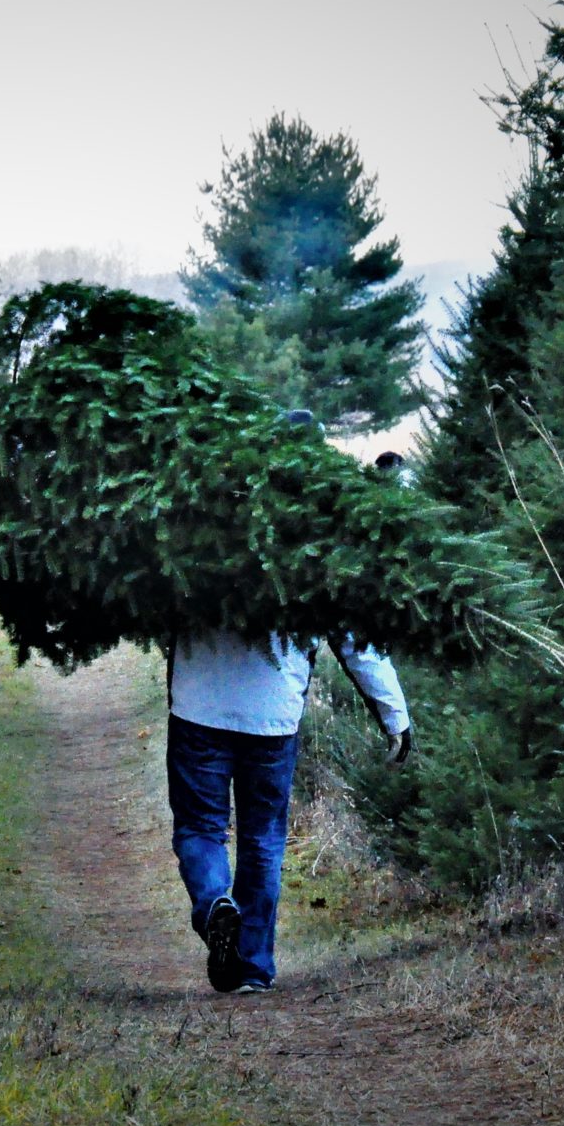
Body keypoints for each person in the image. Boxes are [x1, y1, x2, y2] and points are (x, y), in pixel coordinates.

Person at [164, 417, 413, 995]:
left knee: (200, 828)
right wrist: (395, 716)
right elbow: (357, 638)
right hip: (273, 718)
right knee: (261, 839)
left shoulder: (203, 514)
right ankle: (250, 966)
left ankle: (214, 907)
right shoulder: (324, 538)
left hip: (199, 703)